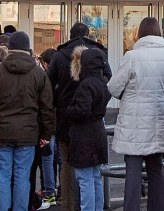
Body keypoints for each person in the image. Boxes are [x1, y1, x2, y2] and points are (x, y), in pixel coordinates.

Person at [0, 31, 56, 211]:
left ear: (10, 48)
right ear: (28, 49)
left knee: (3, 177)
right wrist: (46, 133)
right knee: (22, 177)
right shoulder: (38, 73)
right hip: (28, 133)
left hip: (1, 132)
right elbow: (47, 107)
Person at [109, 17, 164, 211]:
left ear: (140, 33)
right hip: (159, 119)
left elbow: (114, 87)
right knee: (156, 169)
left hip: (134, 122)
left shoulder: (132, 56)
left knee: (133, 170)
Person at [48, 22, 112, 211]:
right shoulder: (97, 54)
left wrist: (59, 105)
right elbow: (109, 79)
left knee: (68, 165)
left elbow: (48, 85)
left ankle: (69, 205)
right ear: (88, 34)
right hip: (95, 120)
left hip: (67, 118)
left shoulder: (59, 55)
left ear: (69, 35)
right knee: (93, 173)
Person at [66, 46, 111, 211]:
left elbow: (82, 110)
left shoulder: (86, 84)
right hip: (98, 131)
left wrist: (68, 111)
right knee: (95, 177)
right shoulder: (103, 82)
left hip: (84, 135)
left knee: (84, 179)